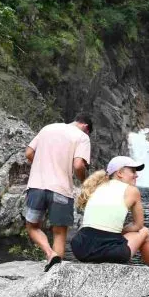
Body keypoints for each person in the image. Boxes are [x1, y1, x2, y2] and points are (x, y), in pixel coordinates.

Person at [24, 113, 92, 272]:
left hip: (36, 186)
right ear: (86, 128)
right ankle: (55, 273)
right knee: (60, 233)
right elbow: (78, 165)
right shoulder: (82, 137)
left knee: (32, 226)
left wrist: (43, 164)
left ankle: (49, 253)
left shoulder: (48, 128)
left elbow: (28, 153)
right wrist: (84, 182)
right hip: (61, 190)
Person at [71, 156, 149, 266]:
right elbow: (138, 225)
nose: (136, 175)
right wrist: (120, 231)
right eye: (133, 171)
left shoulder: (96, 187)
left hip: (80, 249)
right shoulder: (132, 190)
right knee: (144, 231)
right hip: (111, 253)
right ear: (120, 173)